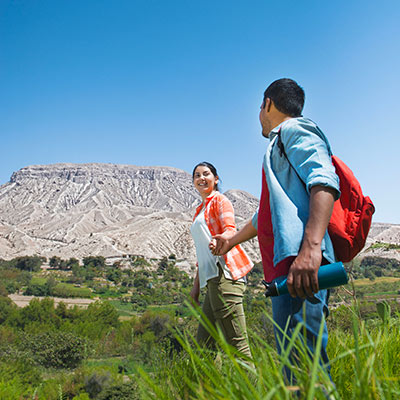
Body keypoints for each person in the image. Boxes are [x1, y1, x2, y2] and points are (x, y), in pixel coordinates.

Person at [212, 78, 340, 379]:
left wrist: (310, 249)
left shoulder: (295, 130)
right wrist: (231, 240)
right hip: (287, 270)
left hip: (301, 267)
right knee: (293, 371)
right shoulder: (279, 145)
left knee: (307, 372)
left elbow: (324, 181)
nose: (259, 113)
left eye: (260, 107)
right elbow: (268, 215)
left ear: (268, 103)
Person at [190, 161, 253, 358]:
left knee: (237, 346)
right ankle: (210, 389)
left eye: (206, 174)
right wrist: (195, 289)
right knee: (205, 347)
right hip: (211, 282)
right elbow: (202, 255)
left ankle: (252, 389)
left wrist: (225, 238)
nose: (201, 178)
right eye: (197, 175)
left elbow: (230, 228)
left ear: (215, 179)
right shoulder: (199, 210)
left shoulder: (220, 201)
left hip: (224, 276)